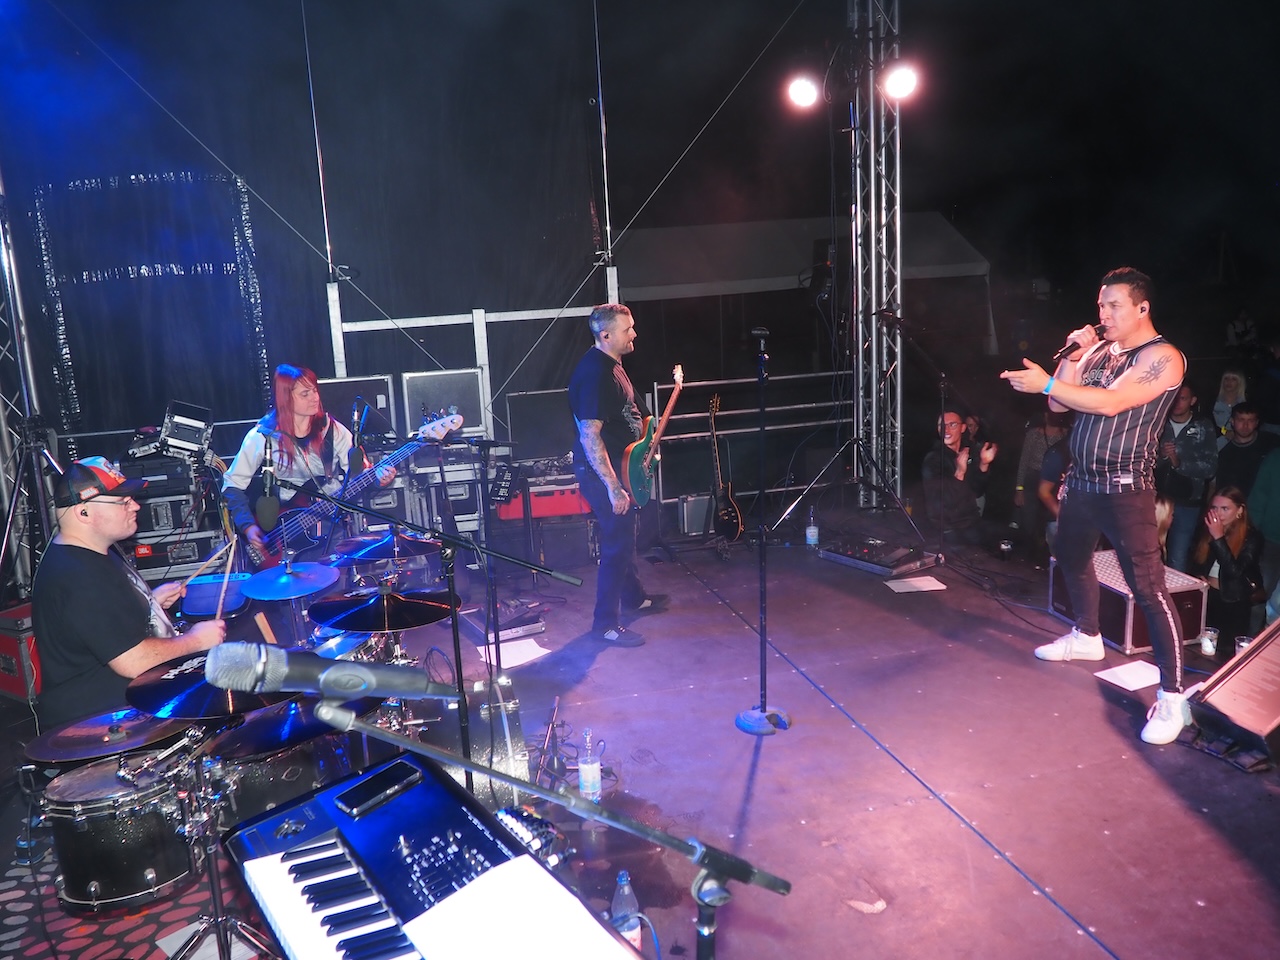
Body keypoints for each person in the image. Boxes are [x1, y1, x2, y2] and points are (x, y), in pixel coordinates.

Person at [1000, 267, 1189, 745]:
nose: (1103, 314)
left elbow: (1110, 403)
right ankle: (1086, 636)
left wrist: (1047, 384)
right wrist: (1072, 358)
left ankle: (1173, 698)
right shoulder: (1102, 350)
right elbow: (1061, 406)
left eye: (1114, 306)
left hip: (1126, 487)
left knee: (1148, 588)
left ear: (1142, 307)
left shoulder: (1163, 357)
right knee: (1069, 555)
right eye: (1101, 305)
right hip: (1082, 481)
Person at [32, 458, 227, 731]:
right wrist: (195, 640)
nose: (135, 506)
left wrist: (149, 602)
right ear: (83, 512)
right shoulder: (77, 576)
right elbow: (134, 661)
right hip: (100, 724)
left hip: (122, 707)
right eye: (122, 502)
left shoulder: (89, 552)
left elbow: (101, 621)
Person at [568, 304, 667, 647]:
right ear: (606, 335)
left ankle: (634, 598)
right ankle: (605, 625)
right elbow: (589, 436)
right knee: (617, 544)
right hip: (603, 474)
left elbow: (632, 414)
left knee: (625, 537)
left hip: (622, 467)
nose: (634, 333)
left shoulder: (613, 366)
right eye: (628, 329)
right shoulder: (596, 374)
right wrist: (612, 487)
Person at [223, 364, 394, 560]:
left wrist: (378, 479)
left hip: (332, 529)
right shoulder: (262, 436)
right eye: (305, 394)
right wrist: (248, 526)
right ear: (286, 398)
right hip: (283, 536)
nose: (315, 398)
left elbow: (359, 473)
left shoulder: (331, 429)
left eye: (314, 390)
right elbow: (232, 485)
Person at [1189, 487, 1263, 665]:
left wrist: (1218, 538)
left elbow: (1235, 571)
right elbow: (1194, 559)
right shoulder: (1206, 529)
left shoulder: (1252, 538)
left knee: (1225, 655)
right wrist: (1197, 576)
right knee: (1201, 652)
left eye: (1225, 509)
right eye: (1214, 508)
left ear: (1239, 510)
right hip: (1209, 597)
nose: (1218, 513)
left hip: (1233, 601)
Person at [1154, 383, 1217, 572]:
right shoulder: (1158, 421)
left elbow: (1210, 468)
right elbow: (1141, 459)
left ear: (1193, 401)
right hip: (1156, 501)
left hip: (1187, 503)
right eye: (1174, 397)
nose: (1177, 402)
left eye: (1182, 398)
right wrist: (1161, 456)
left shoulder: (1203, 426)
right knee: (1149, 552)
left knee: (1178, 558)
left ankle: (1175, 591)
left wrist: (1179, 463)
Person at [921, 408, 998, 545]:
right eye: (942, 425)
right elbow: (940, 502)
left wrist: (984, 464)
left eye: (952, 425)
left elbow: (977, 490)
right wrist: (959, 473)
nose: (946, 430)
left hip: (970, 522)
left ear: (963, 428)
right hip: (947, 529)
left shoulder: (967, 451)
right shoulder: (933, 459)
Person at [1014, 410, 1071, 558]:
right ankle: (1025, 555)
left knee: (1047, 521)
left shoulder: (1065, 435)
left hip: (1053, 481)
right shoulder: (1034, 434)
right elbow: (1023, 462)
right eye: (1049, 413)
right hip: (1032, 478)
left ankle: (1043, 557)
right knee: (1028, 519)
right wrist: (1019, 488)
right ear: (1044, 415)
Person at [1213, 401, 1280, 496]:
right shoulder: (1225, 453)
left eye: (1251, 421)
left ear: (1257, 423)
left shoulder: (1272, 443)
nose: (1245, 425)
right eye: (1241, 420)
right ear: (1232, 421)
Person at [1212, 368, 1247, 445]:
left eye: (1233, 379)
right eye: (1226, 379)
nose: (1229, 382)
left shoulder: (1244, 405)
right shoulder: (1213, 402)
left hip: (1237, 444)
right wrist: (1224, 432)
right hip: (1215, 443)